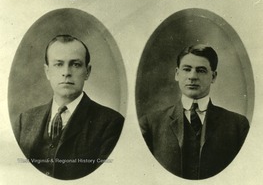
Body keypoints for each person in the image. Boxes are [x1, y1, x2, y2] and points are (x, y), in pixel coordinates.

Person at [14, 34, 124, 180]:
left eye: (76, 64)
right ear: (47, 72)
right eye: (59, 64)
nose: (66, 72)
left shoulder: (111, 123)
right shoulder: (25, 120)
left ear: (87, 72)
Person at [139, 44, 249, 179]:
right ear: (177, 74)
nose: (192, 76)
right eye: (187, 69)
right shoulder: (151, 123)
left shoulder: (237, 125)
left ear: (213, 77)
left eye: (201, 70)